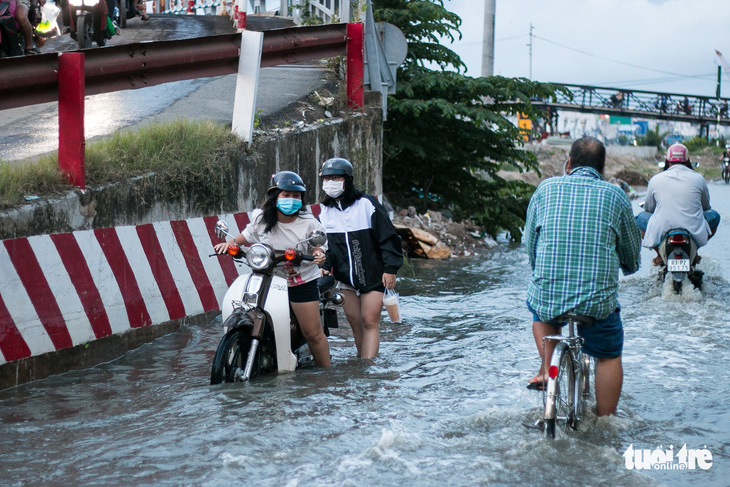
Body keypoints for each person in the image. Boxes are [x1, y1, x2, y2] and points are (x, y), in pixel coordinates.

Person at [524, 136, 641, 417]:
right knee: (609, 353)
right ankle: (605, 423)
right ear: (603, 170)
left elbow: (530, 244)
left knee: (540, 313)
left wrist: (541, 271)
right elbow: (630, 253)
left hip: (550, 294)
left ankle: (549, 363)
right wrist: (628, 266)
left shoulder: (545, 189)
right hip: (596, 304)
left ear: (568, 164)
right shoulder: (615, 195)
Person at [214, 171, 330, 367]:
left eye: (296, 196)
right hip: (267, 280)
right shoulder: (261, 219)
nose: (291, 199)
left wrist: (319, 254)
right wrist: (229, 244)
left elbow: (318, 245)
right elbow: (247, 235)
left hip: (300, 281)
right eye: (286, 195)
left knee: (313, 333)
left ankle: (326, 374)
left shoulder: (309, 223)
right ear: (275, 196)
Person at [318, 157, 403, 359]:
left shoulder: (367, 204)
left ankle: (367, 367)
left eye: (336, 177)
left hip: (374, 276)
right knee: (355, 322)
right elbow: (327, 246)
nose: (331, 182)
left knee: (369, 320)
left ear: (348, 180)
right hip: (346, 279)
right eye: (327, 178)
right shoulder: (324, 212)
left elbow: (389, 238)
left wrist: (390, 269)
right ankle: (362, 360)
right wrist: (325, 265)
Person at [635, 143, 720, 265]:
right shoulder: (699, 179)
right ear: (687, 161)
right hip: (693, 230)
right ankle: (694, 252)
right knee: (715, 216)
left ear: (668, 161)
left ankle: (659, 254)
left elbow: (648, 209)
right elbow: (706, 207)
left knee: (639, 219)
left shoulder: (656, 179)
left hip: (662, 229)